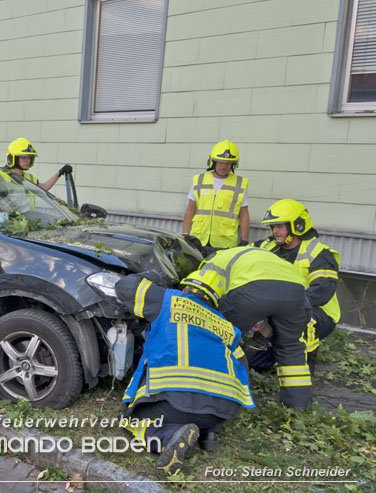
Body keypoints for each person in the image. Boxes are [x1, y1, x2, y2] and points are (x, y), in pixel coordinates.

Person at [115, 270, 254, 477]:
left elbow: (124, 286)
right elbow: (244, 369)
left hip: (174, 402)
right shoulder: (228, 327)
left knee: (130, 421)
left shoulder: (168, 299)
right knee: (201, 412)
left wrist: (156, 276)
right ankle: (209, 436)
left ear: (185, 288)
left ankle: (167, 436)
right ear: (215, 299)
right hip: (220, 412)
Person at [193, 246, 312, 410]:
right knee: (290, 346)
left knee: (221, 338)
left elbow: (197, 296)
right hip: (295, 290)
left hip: (251, 289)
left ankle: (212, 396)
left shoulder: (212, 262)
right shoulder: (259, 255)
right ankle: (298, 405)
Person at [252, 199, 340, 371]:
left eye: (279, 226)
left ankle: (302, 368)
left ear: (297, 226)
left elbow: (321, 291)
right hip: (277, 307)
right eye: (272, 227)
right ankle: (266, 355)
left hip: (318, 311)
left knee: (302, 319)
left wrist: (283, 306)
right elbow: (237, 254)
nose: (274, 231)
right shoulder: (267, 246)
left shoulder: (318, 253)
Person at [182, 140, 250, 255]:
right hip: (198, 239)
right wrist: (184, 233)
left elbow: (243, 214)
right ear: (213, 162)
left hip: (224, 243)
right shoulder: (199, 180)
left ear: (233, 164)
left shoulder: (239, 184)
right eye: (220, 162)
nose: (223, 166)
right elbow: (191, 208)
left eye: (228, 163)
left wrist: (244, 240)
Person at [0, 137, 71, 192]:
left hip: (30, 211)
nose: (27, 161)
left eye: (30, 158)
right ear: (13, 157)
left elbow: (44, 187)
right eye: (24, 157)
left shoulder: (30, 179)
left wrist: (60, 172)